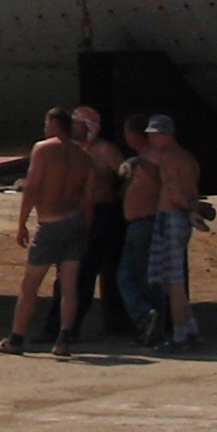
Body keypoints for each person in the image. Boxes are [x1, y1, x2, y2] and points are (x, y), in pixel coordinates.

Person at [0, 108, 88, 356]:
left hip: (50, 222)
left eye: (47, 123)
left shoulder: (43, 149)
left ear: (55, 123)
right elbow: (88, 197)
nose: (45, 128)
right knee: (69, 286)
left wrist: (22, 222)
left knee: (30, 285)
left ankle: (16, 339)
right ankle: (64, 339)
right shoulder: (82, 154)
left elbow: (33, 186)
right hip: (75, 221)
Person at [144, 114, 204, 350]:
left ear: (165, 135)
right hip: (180, 218)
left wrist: (186, 209)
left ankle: (180, 336)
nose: (151, 140)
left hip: (171, 217)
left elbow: (174, 191)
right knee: (169, 281)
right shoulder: (188, 157)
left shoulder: (169, 158)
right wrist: (192, 210)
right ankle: (191, 330)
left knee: (172, 280)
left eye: (153, 135)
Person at [69, 107, 130, 338]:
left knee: (91, 268)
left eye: (77, 123)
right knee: (73, 271)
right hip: (78, 213)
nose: (73, 127)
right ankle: (67, 326)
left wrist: (117, 196)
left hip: (102, 212)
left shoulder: (105, 150)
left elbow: (127, 174)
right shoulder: (73, 149)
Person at [116, 113, 165, 343]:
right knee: (127, 276)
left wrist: (135, 162)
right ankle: (148, 319)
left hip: (147, 223)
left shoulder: (151, 157)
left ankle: (152, 320)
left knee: (145, 278)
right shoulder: (141, 159)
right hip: (137, 224)